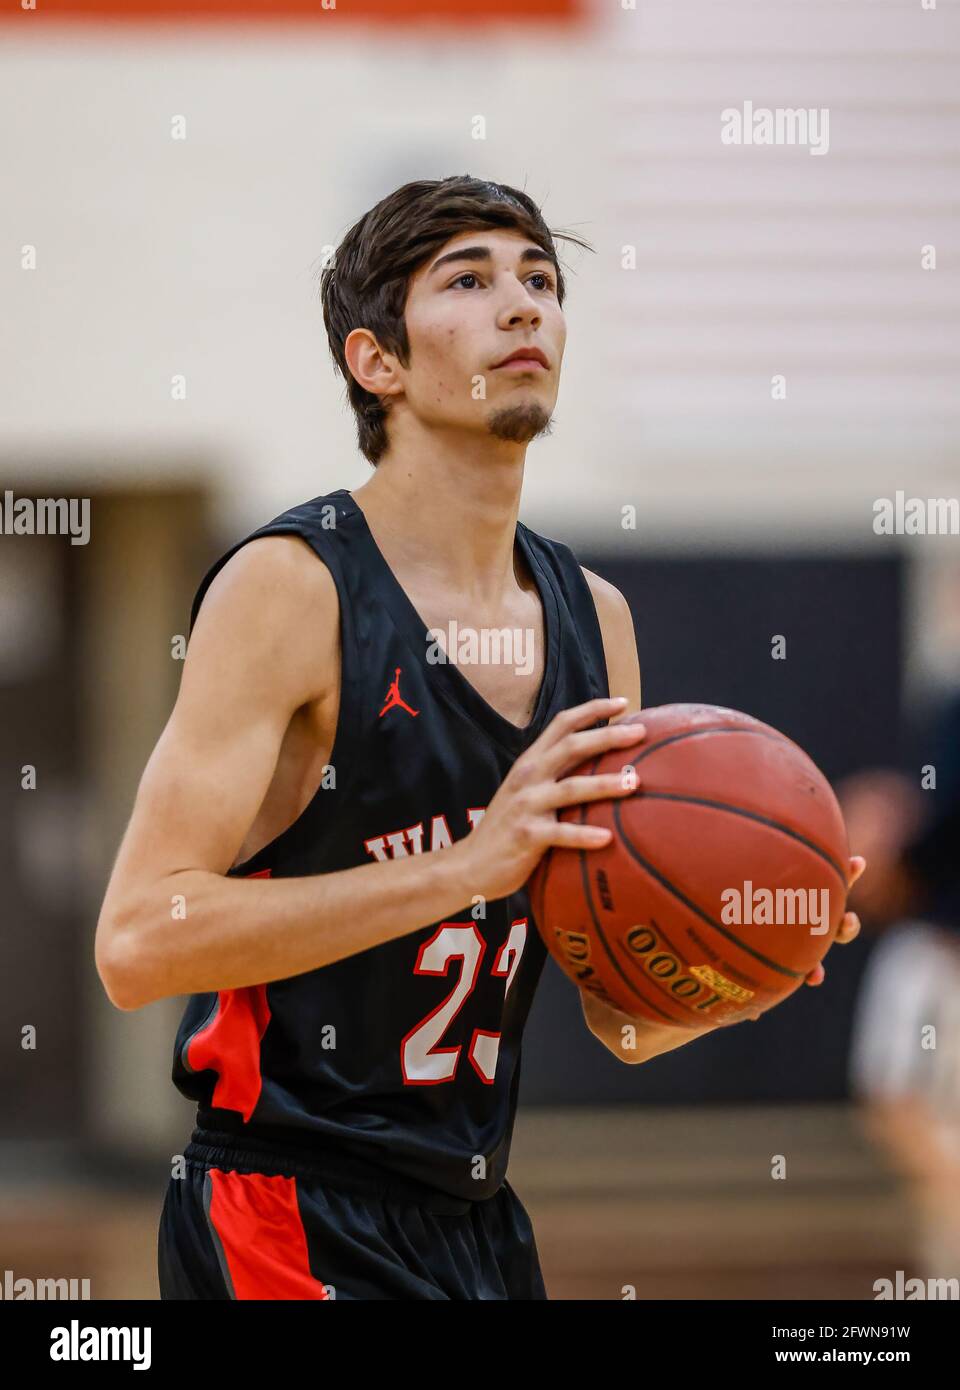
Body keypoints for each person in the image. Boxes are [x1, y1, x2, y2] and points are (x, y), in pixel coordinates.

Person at [94, 175, 864, 1300]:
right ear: (379, 362)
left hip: (478, 1220)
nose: (524, 307)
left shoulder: (595, 619)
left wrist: (744, 964)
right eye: (471, 279)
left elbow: (619, 1018)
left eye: (541, 281)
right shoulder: (293, 589)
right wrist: (468, 866)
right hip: (282, 1207)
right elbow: (137, 941)